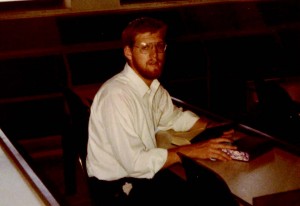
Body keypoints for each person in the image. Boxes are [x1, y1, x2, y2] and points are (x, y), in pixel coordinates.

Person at [86, 16, 237, 206]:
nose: (155, 55)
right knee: (208, 197)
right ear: (128, 52)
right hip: (116, 190)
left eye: (159, 46)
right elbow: (136, 164)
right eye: (144, 47)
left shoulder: (154, 89)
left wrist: (213, 128)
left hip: (141, 177)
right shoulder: (116, 96)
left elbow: (174, 118)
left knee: (205, 192)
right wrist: (194, 151)